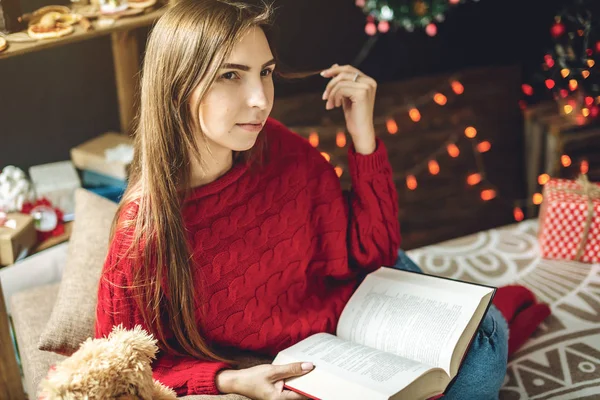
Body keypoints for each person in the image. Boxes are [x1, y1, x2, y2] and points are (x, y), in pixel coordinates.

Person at [94, 0, 551, 399]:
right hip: (316, 356)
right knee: (477, 365)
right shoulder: (144, 232)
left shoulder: (278, 147)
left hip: (354, 298)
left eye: (266, 73)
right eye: (230, 75)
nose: (259, 99)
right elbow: (124, 363)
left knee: (484, 334)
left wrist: (362, 136)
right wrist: (230, 380)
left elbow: (372, 252)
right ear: (176, 87)